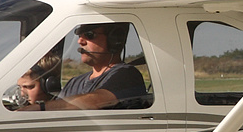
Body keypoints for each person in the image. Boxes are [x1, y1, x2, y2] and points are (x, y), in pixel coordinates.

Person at [19, 24, 149, 111]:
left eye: (89, 35)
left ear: (115, 40)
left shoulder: (126, 76)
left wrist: (39, 107)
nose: (80, 41)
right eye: (80, 36)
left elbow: (95, 101)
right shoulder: (74, 82)